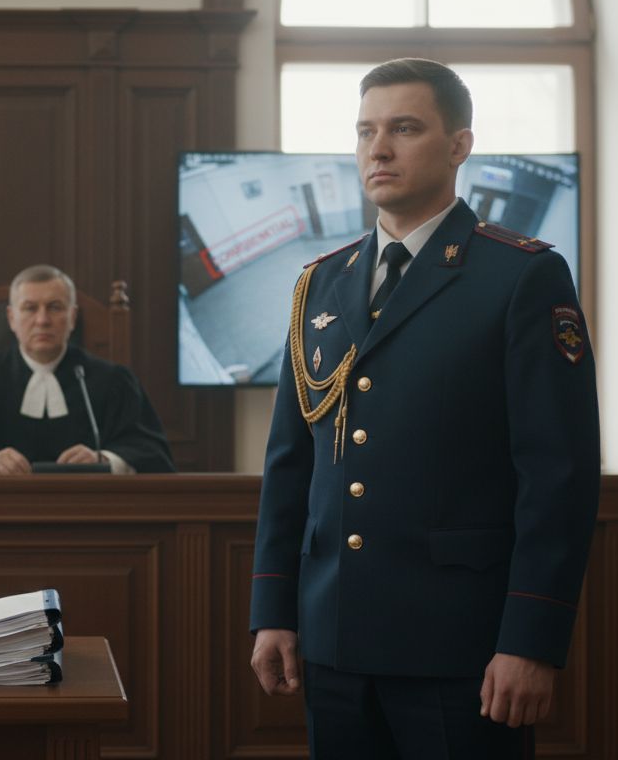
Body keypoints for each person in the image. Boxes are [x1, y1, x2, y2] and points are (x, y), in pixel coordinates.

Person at [249, 58, 600, 758]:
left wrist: (530, 641)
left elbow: (557, 476)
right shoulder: (320, 284)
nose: (378, 149)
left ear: (459, 145)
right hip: (334, 640)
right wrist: (273, 611)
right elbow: (291, 465)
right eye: (366, 131)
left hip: (461, 647)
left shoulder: (522, 275)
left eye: (405, 129)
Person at [0, 264, 174, 474]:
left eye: (55, 307)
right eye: (30, 308)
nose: (42, 320)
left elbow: (152, 452)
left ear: (72, 317)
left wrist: (104, 461)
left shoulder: (113, 381)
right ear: (11, 318)